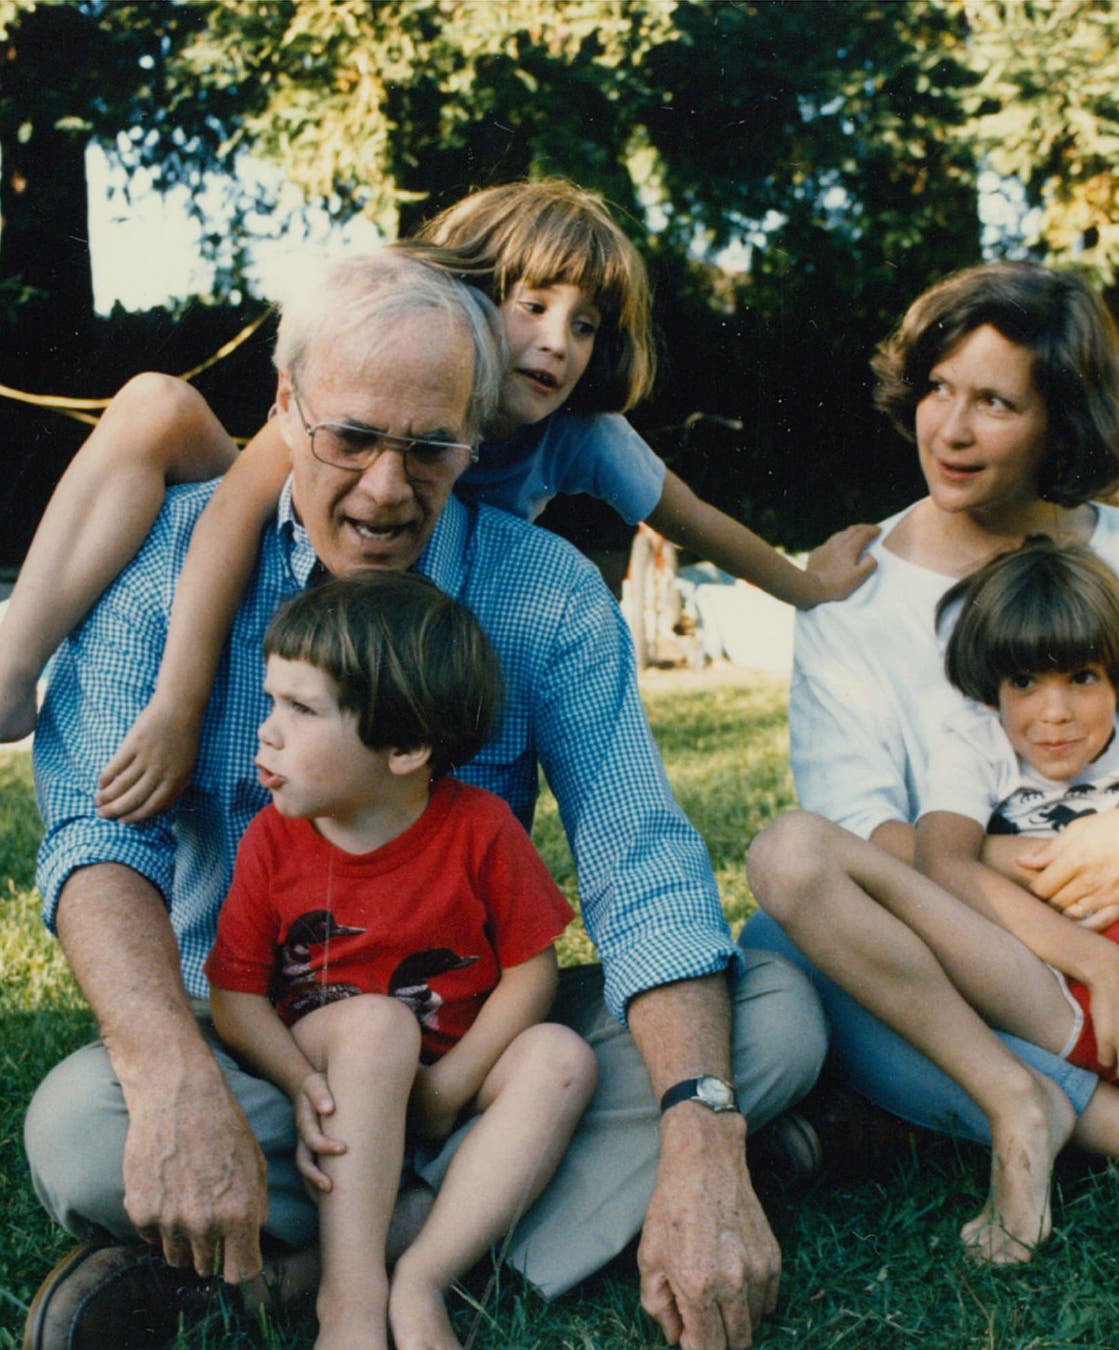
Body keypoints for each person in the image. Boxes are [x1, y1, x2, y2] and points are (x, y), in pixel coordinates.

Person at [23, 243, 826, 1350]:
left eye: (431, 447)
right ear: (285, 406)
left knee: (772, 1019)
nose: (386, 490)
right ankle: (517, 1204)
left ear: (478, 436)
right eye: (350, 438)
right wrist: (170, 1078)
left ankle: (329, 1266)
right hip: (268, 1056)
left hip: (478, 1049)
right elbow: (99, 842)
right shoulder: (166, 556)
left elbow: (639, 859)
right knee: (82, 1128)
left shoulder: (544, 593)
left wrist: (702, 1134)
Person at [746, 261, 1119, 1243]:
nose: (949, 430)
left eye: (994, 403)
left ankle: (941, 1111)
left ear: (1061, 424)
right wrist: (1060, 876)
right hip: (986, 971)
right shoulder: (852, 594)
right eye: (938, 389)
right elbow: (873, 848)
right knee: (793, 936)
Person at [0, 178, 877, 811]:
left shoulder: (583, 437)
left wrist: (809, 588)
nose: (558, 342)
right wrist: (177, 706)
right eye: (533, 305)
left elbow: (694, 520)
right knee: (155, 403)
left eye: (583, 325)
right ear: (469, 295)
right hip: (295, 533)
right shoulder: (376, 378)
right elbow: (229, 520)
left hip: (417, 607)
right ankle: (11, 663)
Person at [207, 571, 595, 1349]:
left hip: (444, 1085)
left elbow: (531, 969)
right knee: (379, 1027)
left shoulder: (480, 828)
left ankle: (421, 1277)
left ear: (406, 747)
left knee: (563, 1057)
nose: (267, 732)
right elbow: (235, 998)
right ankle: (349, 1301)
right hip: (331, 1085)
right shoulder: (272, 840)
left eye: (302, 710)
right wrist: (303, 1083)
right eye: (272, 701)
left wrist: (451, 1088)